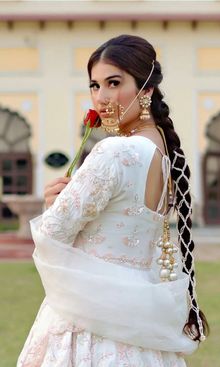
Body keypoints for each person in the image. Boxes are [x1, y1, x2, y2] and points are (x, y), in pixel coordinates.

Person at [17, 34, 209, 367]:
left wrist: (52, 204)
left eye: (114, 83)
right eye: (94, 85)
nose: (101, 98)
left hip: (91, 322)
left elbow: (52, 233)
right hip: (139, 321)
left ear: (146, 89)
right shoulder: (165, 155)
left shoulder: (115, 150)